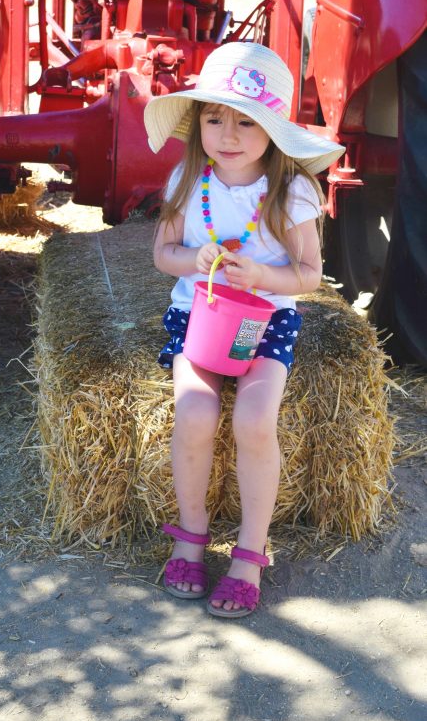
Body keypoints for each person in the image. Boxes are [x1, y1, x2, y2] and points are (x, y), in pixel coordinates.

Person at [143, 41, 345, 618]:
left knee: (254, 420)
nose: (226, 134)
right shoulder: (189, 178)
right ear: (197, 123)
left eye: (245, 122)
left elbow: (309, 275)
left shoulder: (293, 191)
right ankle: (189, 535)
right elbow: (164, 254)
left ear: (273, 131)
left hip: (266, 321)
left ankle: (250, 552)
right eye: (213, 119)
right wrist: (194, 258)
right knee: (196, 412)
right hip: (199, 318)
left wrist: (263, 275)